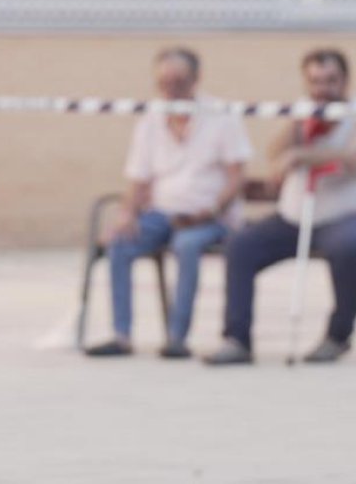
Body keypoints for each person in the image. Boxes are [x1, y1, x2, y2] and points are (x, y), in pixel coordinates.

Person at [204, 48, 356, 365]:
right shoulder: (304, 113)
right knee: (240, 246)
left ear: (345, 80)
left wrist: (301, 156)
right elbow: (275, 154)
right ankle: (237, 339)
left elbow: (354, 157)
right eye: (314, 82)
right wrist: (299, 126)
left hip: (348, 216)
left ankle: (338, 336)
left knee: (348, 246)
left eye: (330, 81)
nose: (323, 89)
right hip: (296, 217)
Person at [85, 48, 253, 359]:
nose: (172, 89)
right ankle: (122, 335)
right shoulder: (149, 120)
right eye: (164, 83)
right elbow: (139, 179)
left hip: (211, 216)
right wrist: (126, 214)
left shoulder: (222, 116)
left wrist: (212, 210)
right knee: (120, 242)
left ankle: (177, 338)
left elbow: (236, 176)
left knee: (186, 245)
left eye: (179, 81)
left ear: (196, 79)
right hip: (162, 213)